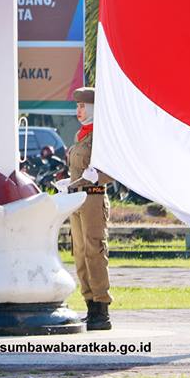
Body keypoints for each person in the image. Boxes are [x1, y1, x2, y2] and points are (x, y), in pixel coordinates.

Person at [55, 87, 114, 330]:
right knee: (79, 254)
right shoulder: (81, 135)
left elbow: (113, 171)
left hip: (94, 198)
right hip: (78, 198)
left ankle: (102, 308)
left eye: (83, 107)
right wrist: (69, 181)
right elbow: (79, 171)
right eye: (77, 107)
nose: (79, 111)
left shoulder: (101, 136)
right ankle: (90, 304)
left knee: (94, 251)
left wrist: (97, 176)